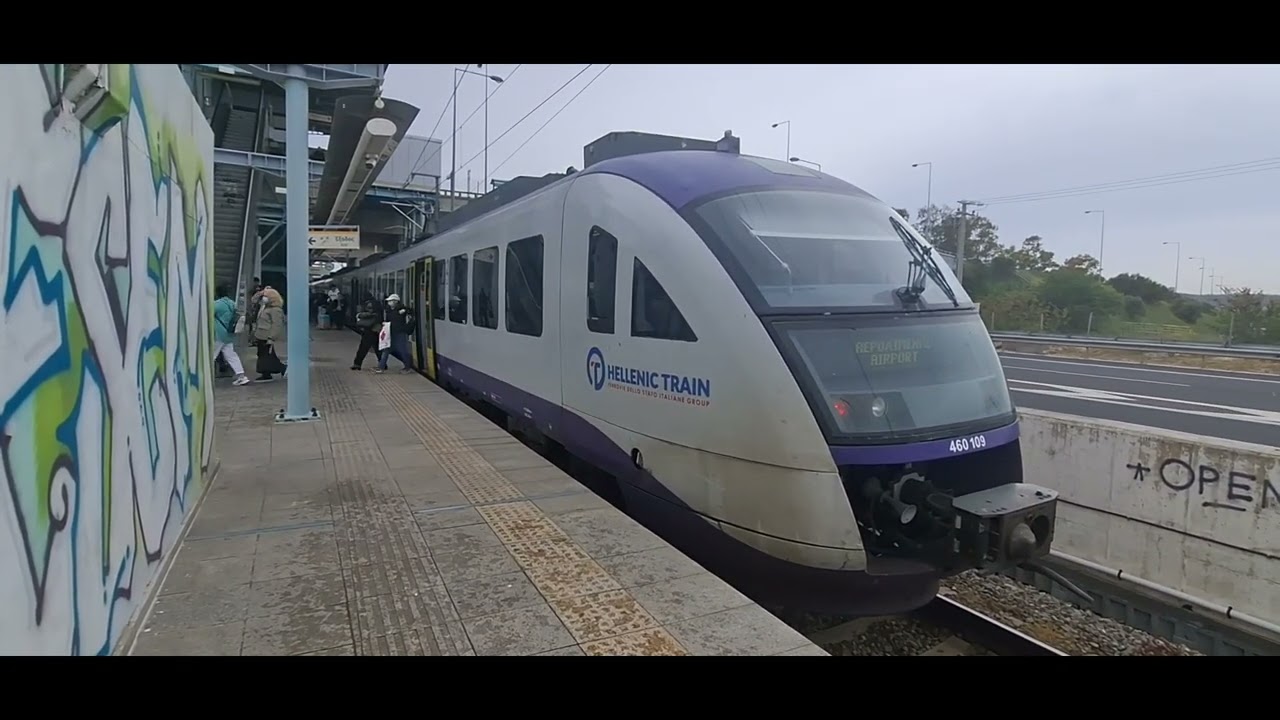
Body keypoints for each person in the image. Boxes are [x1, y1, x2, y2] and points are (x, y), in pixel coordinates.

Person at [213, 285, 251, 386]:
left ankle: (204, 377)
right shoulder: (232, 303)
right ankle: (241, 376)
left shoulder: (217, 304)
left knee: (211, 354)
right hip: (229, 334)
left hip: (218, 334)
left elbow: (208, 314)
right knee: (231, 355)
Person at [252, 288, 287, 381]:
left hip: (266, 335)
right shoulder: (264, 307)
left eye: (266, 296)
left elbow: (277, 324)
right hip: (260, 334)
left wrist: (271, 337)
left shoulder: (276, 310)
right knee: (265, 354)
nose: (264, 298)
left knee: (266, 355)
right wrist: (260, 293)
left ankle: (271, 371)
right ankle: (267, 372)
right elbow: (253, 300)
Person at [376, 293, 414, 374]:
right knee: (386, 350)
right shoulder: (388, 310)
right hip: (390, 333)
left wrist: (405, 311)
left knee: (402, 351)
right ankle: (381, 367)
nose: (389, 303)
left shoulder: (402, 309)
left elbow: (411, 312)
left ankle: (407, 367)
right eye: (389, 301)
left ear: (395, 301)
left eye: (390, 301)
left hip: (400, 333)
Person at [350, 297, 384, 370]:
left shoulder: (373, 312)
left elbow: (364, 316)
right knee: (378, 349)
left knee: (363, 348)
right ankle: (383, 363)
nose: (368, 309)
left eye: (370, 307)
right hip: (376, 331)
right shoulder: (379, 311)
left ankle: (357, 364)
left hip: (369, 332)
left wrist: (360, 315)